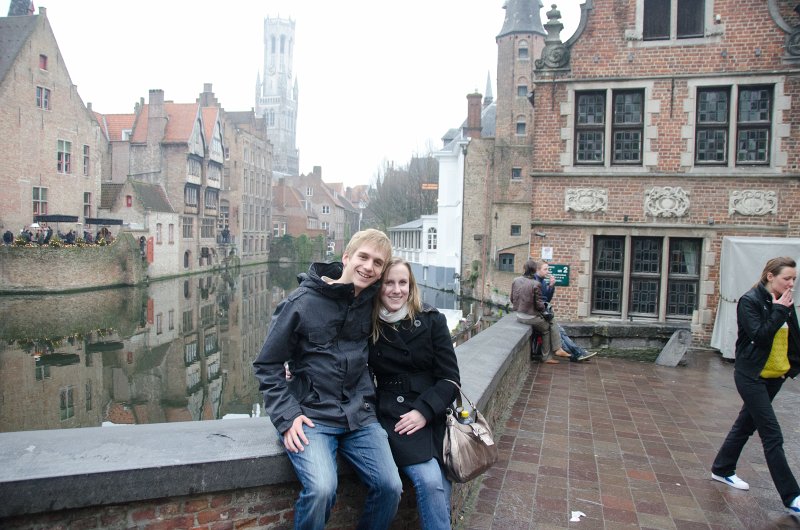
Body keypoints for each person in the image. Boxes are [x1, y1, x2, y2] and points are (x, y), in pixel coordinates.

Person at [252, 229, 402, 530]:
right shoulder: (302, 303)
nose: (368, 267)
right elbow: (267, 364)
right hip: (312, 418)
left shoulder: (371, 301)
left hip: (359, 417)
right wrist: (286, 416)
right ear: (346, 257)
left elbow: (404, 297)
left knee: (390, 487)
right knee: (321, 490)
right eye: (363, 257)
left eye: (377, 262)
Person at [369, 258, 460, 530]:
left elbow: (450, 378)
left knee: (442, 484)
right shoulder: (367, 324)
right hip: (394, 415)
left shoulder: (432, 321)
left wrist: (424, 410)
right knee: (430, 480)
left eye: (402, 283)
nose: (396, 290)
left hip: (431, 413)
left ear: (411, 286)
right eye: (389, 283)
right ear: (379, 287)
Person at [710, 257, 800, 513]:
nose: (791, 283)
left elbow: (794, 338)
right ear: (770, 276)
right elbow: (760, 336)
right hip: (751, 376)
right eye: (787, 278)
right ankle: (793, 497)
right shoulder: (749, 301)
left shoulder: (787, 301)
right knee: (772, 434)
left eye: (794, 279)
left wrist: (792, 367)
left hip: (775, 375)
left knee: (745, 425)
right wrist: (780, 309)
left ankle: (722, 468)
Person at [533, 261, 596, 363]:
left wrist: (552, 286)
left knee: (561, 332)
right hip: (540, 315)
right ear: (538, 270)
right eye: (545, 269)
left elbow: (547, 299)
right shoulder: (535, 281)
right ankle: (577, 353)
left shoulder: (543, 282)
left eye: (548, 269)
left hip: (544, 314)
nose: (547, 272)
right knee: (559, 332)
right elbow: (539, 302)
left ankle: (577, 354)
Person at [510, 259, 568, 364]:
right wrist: (543, 311)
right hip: (530, 317)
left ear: (524, 269)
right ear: (534, 270)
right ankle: (548, 356)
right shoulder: (535, 284)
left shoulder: (516, 280)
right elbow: (539, 305)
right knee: (546, 328)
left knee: (550, 321)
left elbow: (512, 299)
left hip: (518, 315)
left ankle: (557, 349)